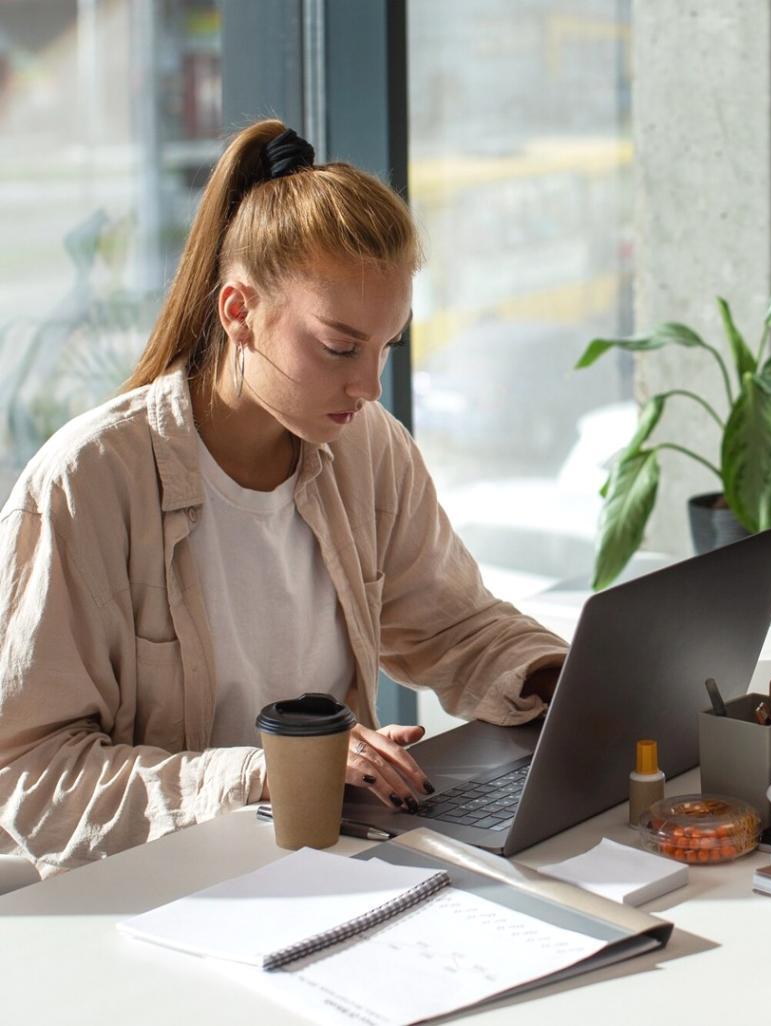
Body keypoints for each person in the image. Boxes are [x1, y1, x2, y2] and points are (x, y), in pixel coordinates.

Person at [0, 120, 569, 877]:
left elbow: (454, 626)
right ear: (238, 313)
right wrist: (273, 772)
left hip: (338, 868)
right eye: (339, 347)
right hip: (169, 894)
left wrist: (562, 677)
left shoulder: (366, 446)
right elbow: (27, 778)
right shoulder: (88, 482)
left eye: (385, 347)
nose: (368, 386)